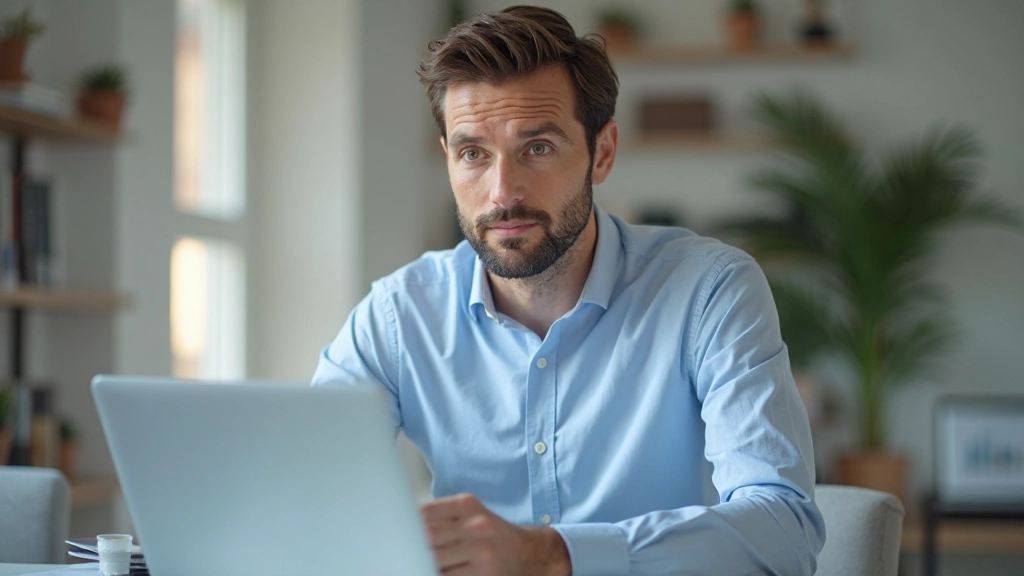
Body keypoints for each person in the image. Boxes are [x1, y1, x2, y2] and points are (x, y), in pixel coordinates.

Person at [313, 5, 825, 575]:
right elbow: (303, 499)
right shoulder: (397, 316)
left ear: (601, 152)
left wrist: (555, 557)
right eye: (473, 153)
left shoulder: (709, 292)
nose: (502, 192)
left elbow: (785, 530)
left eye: (538, 148)